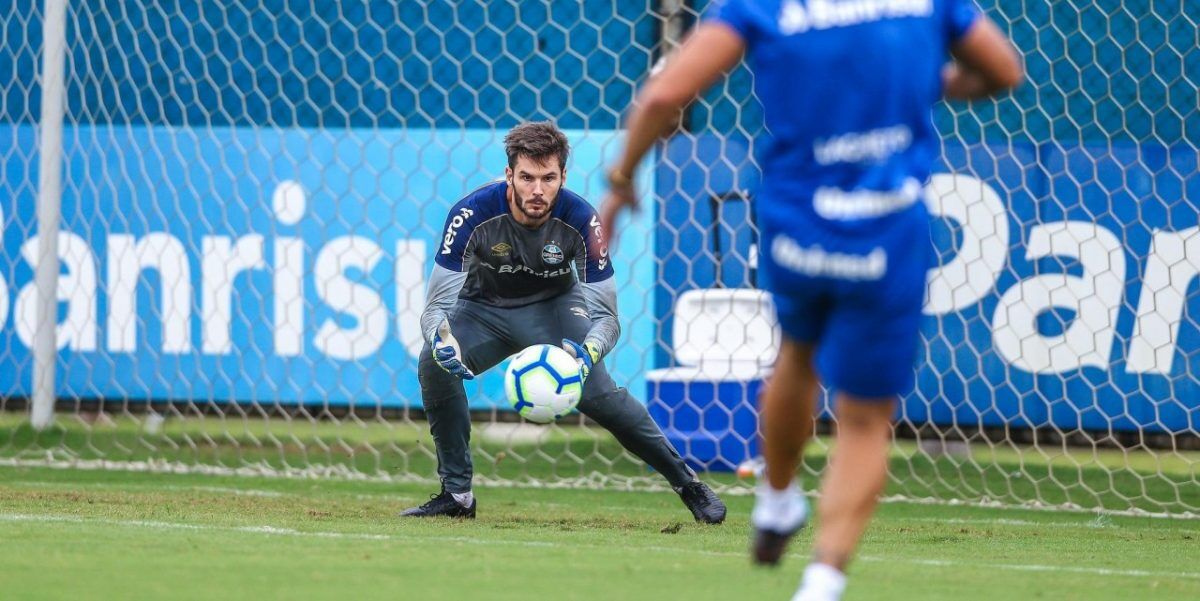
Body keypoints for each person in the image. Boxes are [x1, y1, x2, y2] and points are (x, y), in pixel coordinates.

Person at [599, 1, 1021, 599]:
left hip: (800, 226)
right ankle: (823, 580)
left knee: (796, 356)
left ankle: (775, 498)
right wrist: (929, 85)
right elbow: (1004, 71)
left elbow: (665, 97)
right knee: (866, 417)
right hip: (887, 229)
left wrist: (621, 180)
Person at [402, 121, 726, 524]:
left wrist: (587, 354)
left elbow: (607, 317)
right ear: (509, 175)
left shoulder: (582, 221)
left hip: (554, 309)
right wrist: (440, 340)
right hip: (483, 310)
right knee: (432, 364)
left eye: (548, 178)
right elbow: (435, 308)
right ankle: (457, 495)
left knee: (602, 398)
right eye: (527, 177)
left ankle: (688, 484)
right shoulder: (470, 215)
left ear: (563, 177)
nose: (537, 190)